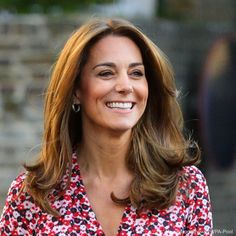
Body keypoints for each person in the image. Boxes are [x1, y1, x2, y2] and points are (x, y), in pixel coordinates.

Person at [0, 18, 213, 235]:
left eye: (136, 73)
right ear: (76, 90)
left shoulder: (186, 186)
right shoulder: (32, 193)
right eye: (106, 73)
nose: (125, 86)